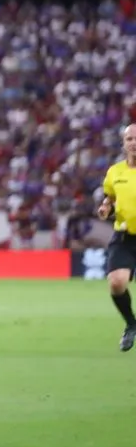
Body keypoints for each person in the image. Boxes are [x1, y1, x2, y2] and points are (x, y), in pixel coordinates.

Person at [97, 123, 136, 351]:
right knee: (116, 283)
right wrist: (105, 209)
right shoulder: (115, 172)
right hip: (125, 237)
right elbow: (109, 199)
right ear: (123, 144)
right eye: (129, 139)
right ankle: (131, 324)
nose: (134, 143)